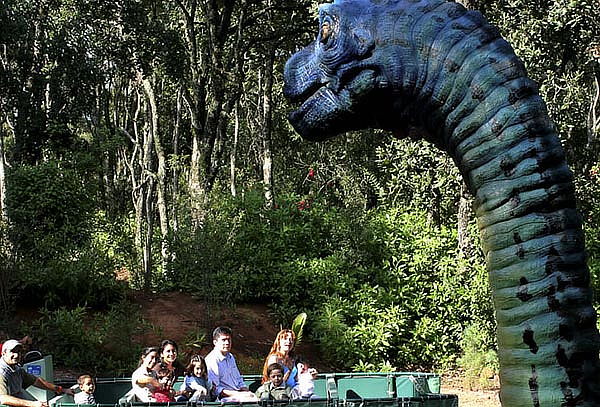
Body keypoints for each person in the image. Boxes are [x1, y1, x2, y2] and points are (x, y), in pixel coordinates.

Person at [0, 339, 74, 407]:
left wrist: (60, 389)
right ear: (3, 353)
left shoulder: (17, 368)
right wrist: (32, 404)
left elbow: (37, 381)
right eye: (13, 351)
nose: (17, 355)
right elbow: (4, 399)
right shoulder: (1, 372)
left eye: (19, 352)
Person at [205, 327, 257, 402]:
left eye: (229, 340)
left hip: (238, 394)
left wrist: (246, 391)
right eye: (223, 340)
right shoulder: (212, 360)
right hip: (222, 400)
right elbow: (215, 389)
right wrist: (238, 394)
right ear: (215, 342)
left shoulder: (230, 357)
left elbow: (239, 380)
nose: (227, 343)